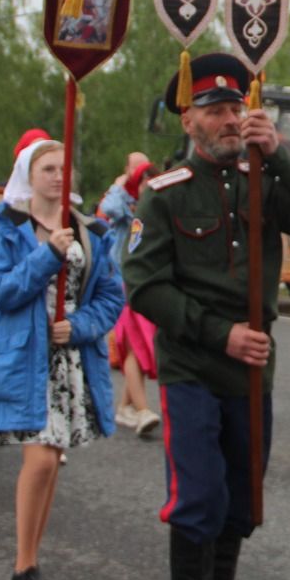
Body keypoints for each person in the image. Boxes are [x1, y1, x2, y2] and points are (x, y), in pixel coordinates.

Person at [121, 52, 290, 580]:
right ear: (187, 120)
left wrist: (281, 154)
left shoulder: (264, 178)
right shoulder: (163, 195)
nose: (229, 120)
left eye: (237, 108)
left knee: (240, 505)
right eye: (215, 110)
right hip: (195, 364)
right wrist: (220, 334)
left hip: (252, 371)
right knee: (198, 500)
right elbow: (144, 285)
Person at [0, 137, 123, 580]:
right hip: (25, 359)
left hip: (69, 359)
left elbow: (110, 298)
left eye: (64, 169)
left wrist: (77, 327)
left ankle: (32, 561)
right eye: (48, 169)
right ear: (29, 176)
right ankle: (21, 568)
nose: (59, 176)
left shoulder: (90, 230)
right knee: (38, 461)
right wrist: (46, 257)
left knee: (53, 461)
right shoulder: (8, 227)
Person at [99, 155, 161, 437]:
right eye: (140, 174)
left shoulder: (158, 206)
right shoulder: (126, 205)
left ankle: (125, 407)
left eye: (149, 173)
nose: (146, 180)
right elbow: (108, 208)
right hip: (123, 282)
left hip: (150, 283)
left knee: (144, 345)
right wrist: (120, 186)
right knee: (136, 345)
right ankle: (143, 409)